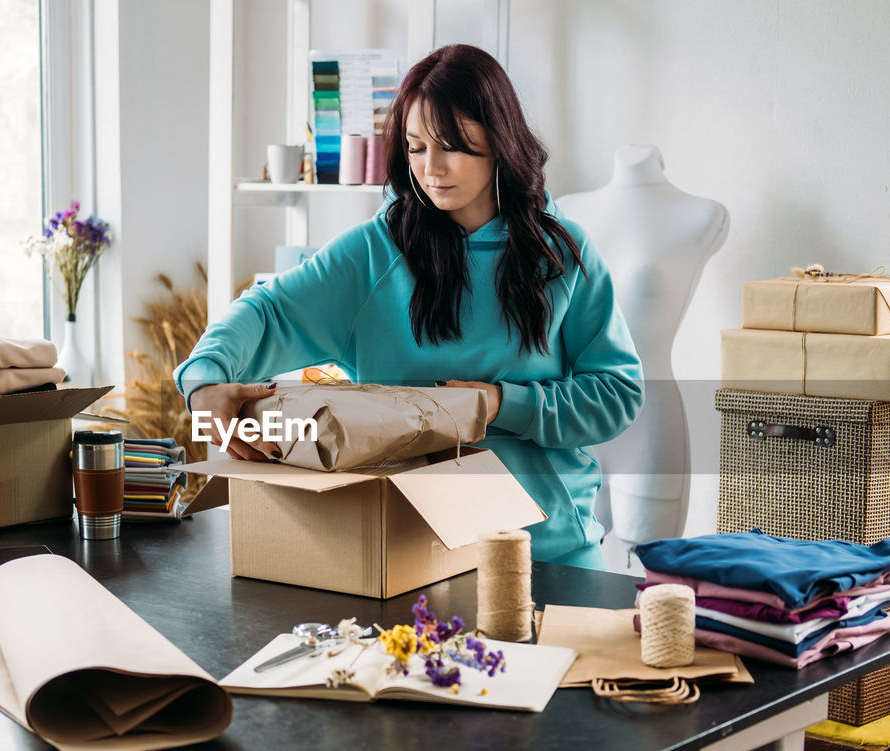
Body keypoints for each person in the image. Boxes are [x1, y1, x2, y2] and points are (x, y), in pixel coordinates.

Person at [175, 44, 643, 570]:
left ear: (500, 140)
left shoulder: (561, 255)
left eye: (452, 146)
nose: (430, 168)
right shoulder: (376, 252)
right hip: (406, 551)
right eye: (415, 147)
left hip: (549, 548)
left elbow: (617, 394)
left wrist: (497, 404)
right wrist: (205, 380)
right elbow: (269, 310)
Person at [556, 144, 728, 551]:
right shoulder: (567, 210)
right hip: (578, 414)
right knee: (571, 568)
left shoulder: (702, 214)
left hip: (649, 418)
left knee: (654, 577)